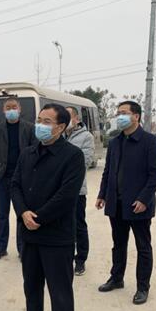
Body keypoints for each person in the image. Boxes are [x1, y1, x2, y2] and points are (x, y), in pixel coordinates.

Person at [11, 103, 85, 311]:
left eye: (47, 122)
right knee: (31, 285)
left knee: (60, 291)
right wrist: (23, 213)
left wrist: (38, 218)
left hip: (56, 236)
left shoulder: (72, 156)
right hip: (29, 233)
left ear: (61, 127)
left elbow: (66, 196)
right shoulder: (28, 152)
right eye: (39, 120)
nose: (40, 125)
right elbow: (15, 185)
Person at [96, 100, 156, 305]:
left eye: (124, 113)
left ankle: (143, 287)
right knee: (118, 244)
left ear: (136, 116)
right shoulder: (115, 142)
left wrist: (144, 199)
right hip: (115, 203)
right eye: (118, 113)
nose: (120, 116)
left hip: (137, 205)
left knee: (143, 247)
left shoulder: (150, 141)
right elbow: (108, 171)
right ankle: (116, 278)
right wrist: (102, 194)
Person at [0, 97, 35, 260]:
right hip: (3, 178)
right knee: (2, 214)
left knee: (22, 214)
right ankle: (1, 248)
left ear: (19, 109)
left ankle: (22, 249)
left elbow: (35, 150)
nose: (11, 110)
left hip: (23, 179)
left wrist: (31, 171)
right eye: (8, 107)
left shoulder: (29, 128)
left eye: (14, 107)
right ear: (3, 110)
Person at [66, 106, 95, 276]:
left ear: (76, 119)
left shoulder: (86, 137)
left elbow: (84, 162)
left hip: (77, 190)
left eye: (68, 116)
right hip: (56, 190)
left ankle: (81, 259)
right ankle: (65, 256)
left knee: (79, 226)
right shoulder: (58, 134)